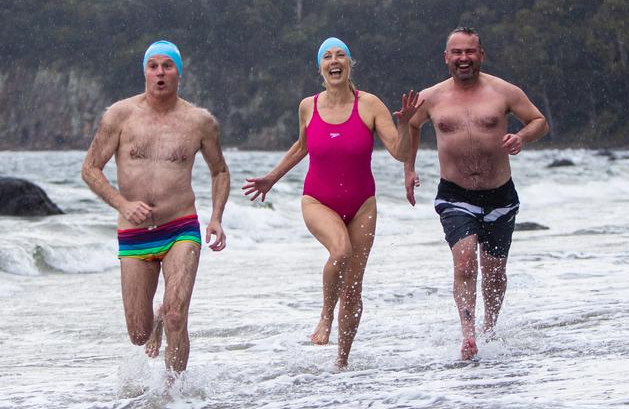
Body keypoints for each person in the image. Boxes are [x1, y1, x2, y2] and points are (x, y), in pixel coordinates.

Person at [242, 37, 421, 369]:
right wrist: (271, 177)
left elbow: (399, 151)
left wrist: (404, 123)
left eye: (341, 55)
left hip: (362, 204)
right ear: (320, 67)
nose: (334, 61)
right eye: (328, 56)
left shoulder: (369, 105)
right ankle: (325, 315)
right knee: (340, 251)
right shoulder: (307, 106)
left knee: (353, 289)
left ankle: (342, 363)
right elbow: (301, 147)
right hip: (317, 200)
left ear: (350, 64)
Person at [81, 40, 230, 374]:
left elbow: (220, 170)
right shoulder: (119, 116)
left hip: (181, 227)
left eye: (168, 66)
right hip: (134, 233)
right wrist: (122, 203)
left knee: (178, 315)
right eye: (153, 66)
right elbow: (90, 168)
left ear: (179, 72)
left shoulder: (200, 121)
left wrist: (216, 218)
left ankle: (176, 396)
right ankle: (157, 318)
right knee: (138, 333)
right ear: (145, 72)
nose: (160, 73)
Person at [404, 27, 548, 360]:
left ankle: (490, 327)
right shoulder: (431, 97)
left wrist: (522, 138)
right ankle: (468, 337)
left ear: (481, 55)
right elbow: (412, 125)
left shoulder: (503, 91)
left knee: (494, 272)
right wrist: (409, 170)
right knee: (466, 263)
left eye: (470, 52)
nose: (463, 58)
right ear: (446, 58)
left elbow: (539, 120)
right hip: (455, 195)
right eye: (457, 53)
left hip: (500, 195)